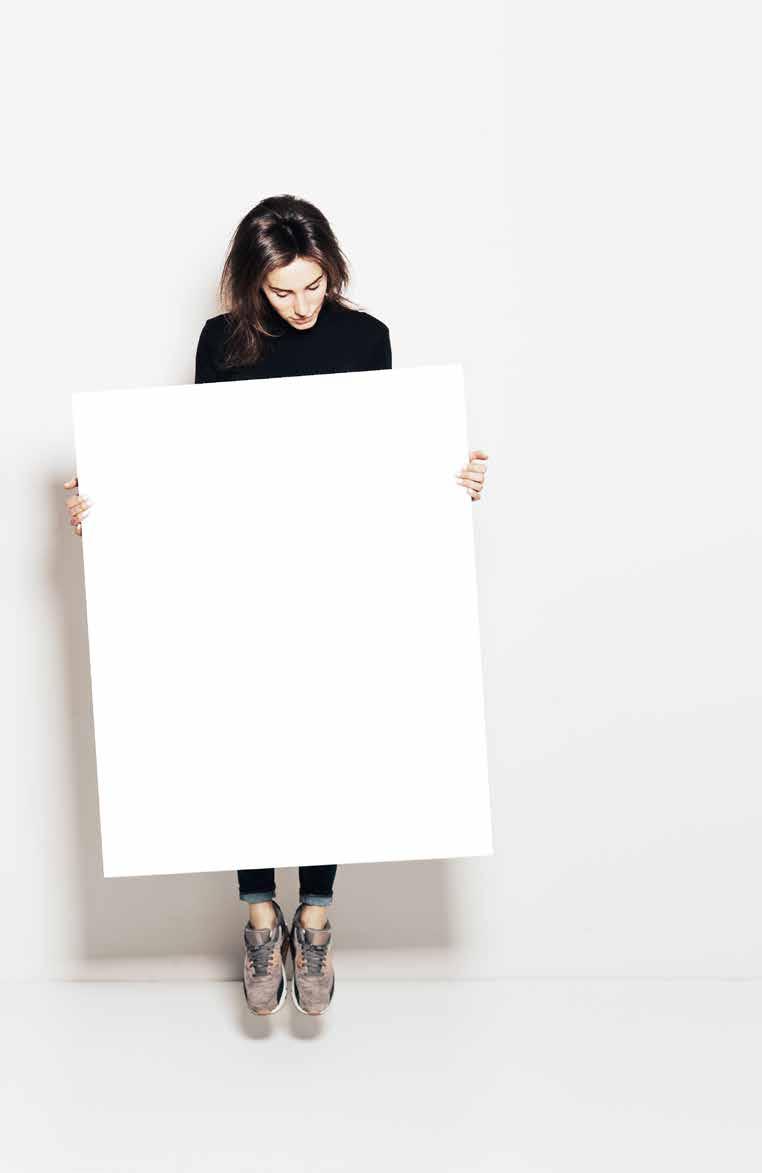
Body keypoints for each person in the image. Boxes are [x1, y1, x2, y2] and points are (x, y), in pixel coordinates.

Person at [63, 193, 489, 1018]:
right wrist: (109, 500)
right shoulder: (221, 341)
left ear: (332, 269)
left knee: (326, 727)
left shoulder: (367, 338)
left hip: (336, 562)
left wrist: (449, 478)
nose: (300, 306)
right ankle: (260, 914)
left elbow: (383, 460)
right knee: (247, 726)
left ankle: (315, 916)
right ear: (252, 281)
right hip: (242, 562)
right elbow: (193, 465)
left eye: (314, 286)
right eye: (282, 290)